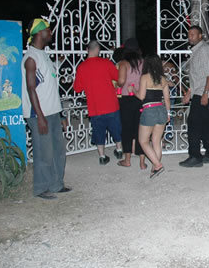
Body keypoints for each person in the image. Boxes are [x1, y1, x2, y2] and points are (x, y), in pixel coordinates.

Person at [21, 18, 71, 200]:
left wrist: (60, 114)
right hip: (39, 114)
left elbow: (50, 88)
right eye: (48, 30)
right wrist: (40, 116)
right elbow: (31, 88)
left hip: (52, 112)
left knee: (58, 150)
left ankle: (57, 184)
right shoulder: (31, 58)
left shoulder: (44, 55)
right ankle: (41, 188)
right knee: (44, 152)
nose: (50, 33)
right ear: (39, 33)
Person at [73, 40, 123, 165]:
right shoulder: (106, 63)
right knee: (116, 129)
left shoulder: (82, 67)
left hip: (95, 107)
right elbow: (117, 77)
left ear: (87, 50)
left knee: (98, 131)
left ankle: (102, 156)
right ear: (98, 50)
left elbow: (77, 88)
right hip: (111, 104)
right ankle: (119, 150)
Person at [180, 25, 209, 167]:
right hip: (199, 92)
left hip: (204, 93)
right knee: (205, 125)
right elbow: (197, 77)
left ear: (200, 36)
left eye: (193, 34)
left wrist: (205, 93)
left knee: (194, 125)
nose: (190, 37)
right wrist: (189, 93)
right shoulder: (196, 51)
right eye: (189, 34)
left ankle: (195, 156)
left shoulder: (204, 50)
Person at [131, 55, 171, 179]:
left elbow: (141, 96)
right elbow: (167, 99)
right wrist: (168, 113)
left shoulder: (144, 78)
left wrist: (133, 89)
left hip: (149, 110)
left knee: (143, 141)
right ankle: (155, 168)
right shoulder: (163, 79)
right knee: (156, 141)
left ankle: (157, 165)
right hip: (161, 110)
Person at [116, 38, 145, 169]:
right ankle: (142, 162)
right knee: (141, 129)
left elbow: (121, 81)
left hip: (126, 99)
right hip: (140, 97)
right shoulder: (143, 62)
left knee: (127, 129)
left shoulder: (123, 63)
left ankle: (127, 159)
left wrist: (117, 84)